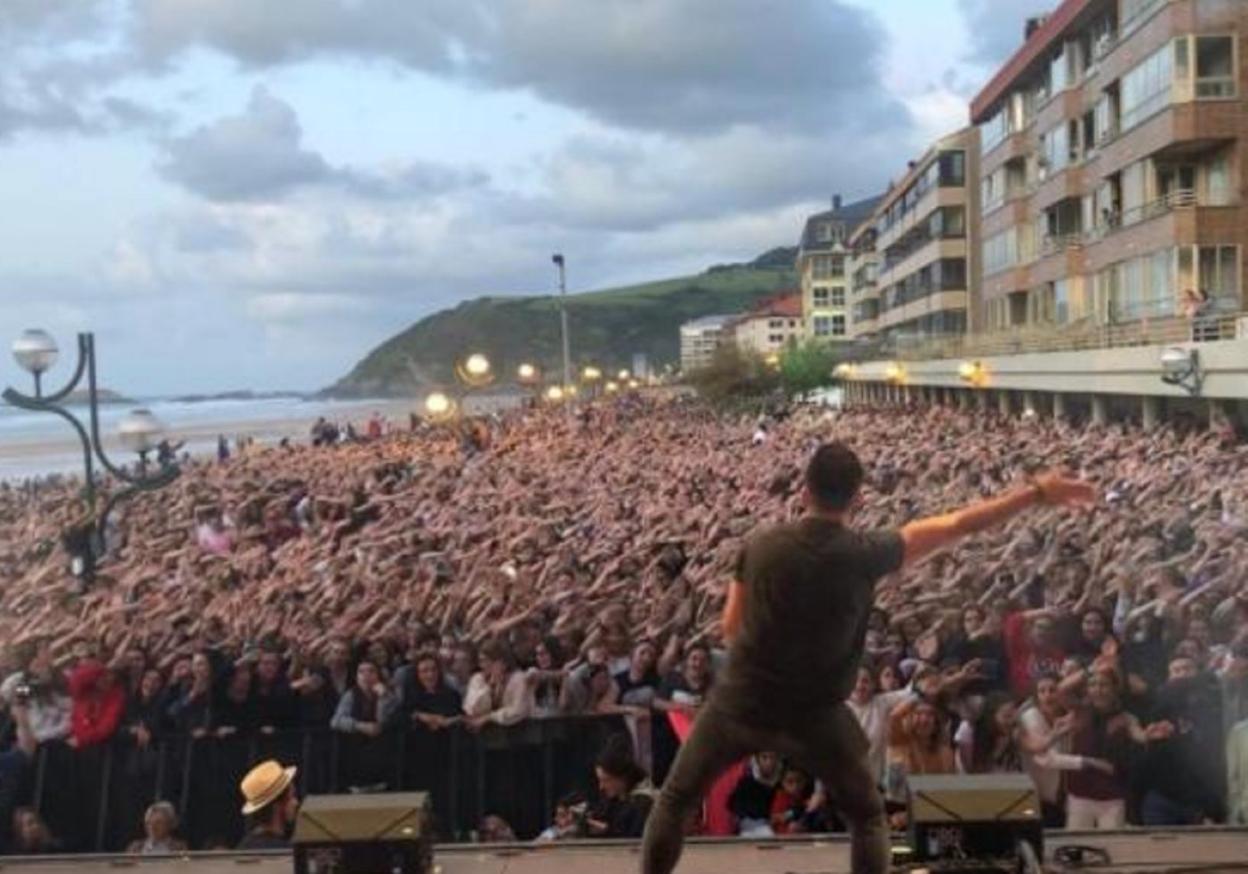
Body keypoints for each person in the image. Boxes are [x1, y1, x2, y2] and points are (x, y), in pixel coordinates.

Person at [639, 442, 1094, 874]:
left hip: (740, 702)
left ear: (804, 491)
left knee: (676, 799)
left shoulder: (760, 546)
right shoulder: (866, 553)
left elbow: (730, 627)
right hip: (816, 714)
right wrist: (1035, 493)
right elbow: (956, 525)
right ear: (857, 498)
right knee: (867, 817)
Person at [237, 759, 299, 849]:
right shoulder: (287, 852)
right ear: (277, 805)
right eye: (292, 796)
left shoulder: (242, 849)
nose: (296, 803)